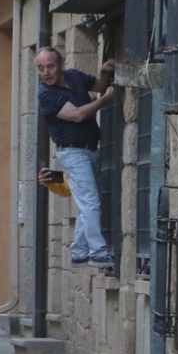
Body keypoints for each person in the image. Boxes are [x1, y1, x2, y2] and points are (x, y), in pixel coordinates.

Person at [36, 48, 115, 266]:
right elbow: (78, 115)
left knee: (87, 203)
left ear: (61, 63)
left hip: (91, 149)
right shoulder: (46, 94)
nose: (45, 73)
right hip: (72, 153)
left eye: (50, 66)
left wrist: (104, 74)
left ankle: (79, 251)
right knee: (90, 202)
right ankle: (98, 252)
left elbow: (100, 85)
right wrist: (105, 100)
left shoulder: (75, 76)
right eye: (40, 68)